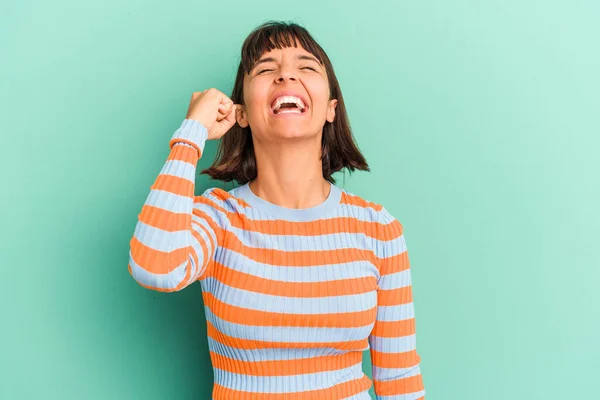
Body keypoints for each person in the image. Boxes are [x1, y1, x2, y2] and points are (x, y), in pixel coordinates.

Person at [128, 20, 426, 400]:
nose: (286, 74)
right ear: (242, 114)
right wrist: (191, 133)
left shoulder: (378, 230)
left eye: (306, 67)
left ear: (331, 108)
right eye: (267, 69)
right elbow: (153, 266)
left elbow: (400, 382)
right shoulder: (217, 219)